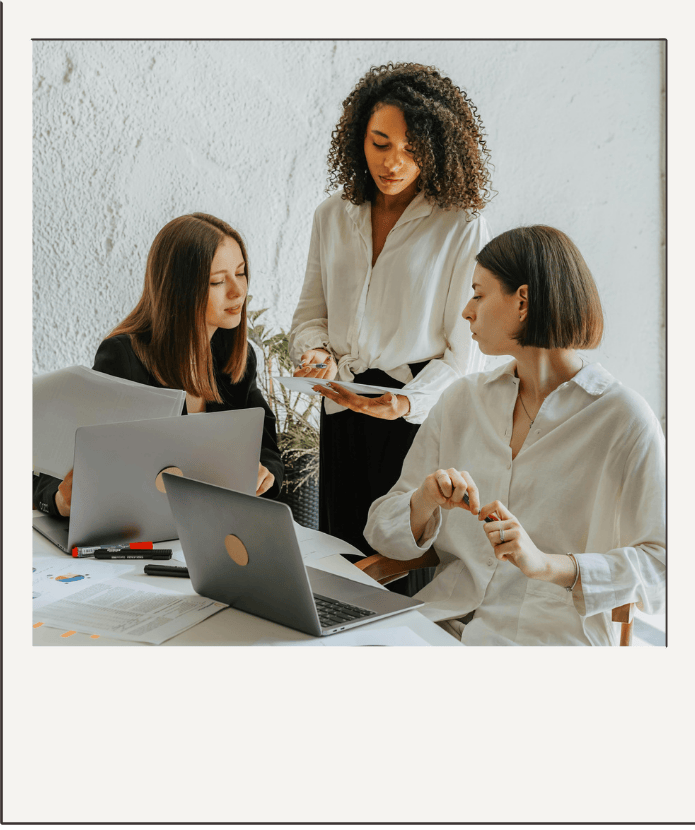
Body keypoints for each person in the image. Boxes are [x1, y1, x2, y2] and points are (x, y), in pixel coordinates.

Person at [364, 226, 666, 645]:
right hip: (438, 628)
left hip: (548, 642)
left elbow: (662, 566)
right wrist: (424, 501)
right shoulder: (462, 402)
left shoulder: (623, 420)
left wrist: (547, 565)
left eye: (479, 293)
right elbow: (381, 529)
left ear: (522, 300)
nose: (467, 312)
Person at [289, 62, 493, 581]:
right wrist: (316, 354)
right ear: (359, 138)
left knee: (400, 569)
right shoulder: (331, 215)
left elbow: (463, 353)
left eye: (411, 149)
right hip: (341, 410)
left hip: (414, 421)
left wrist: (404, 403)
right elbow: (310, 316)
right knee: (338, 566)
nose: (393, 162)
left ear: (438, 148)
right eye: (380, 143)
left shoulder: (460, 226)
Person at [33, 213, 284, 518]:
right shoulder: (124, 358)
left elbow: (268, 452)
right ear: (180, 290)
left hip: (212, 529)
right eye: (217, 281)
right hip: (139, 536)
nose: (238, 291)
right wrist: (64, 501)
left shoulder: (237, 357)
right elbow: (52, 475)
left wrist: (263, 475)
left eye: (241, 273)